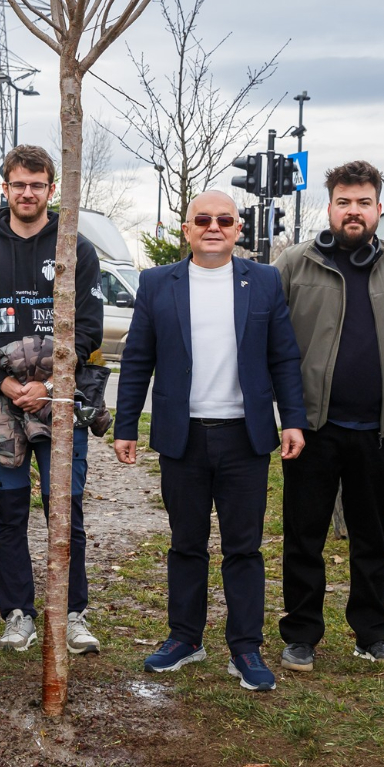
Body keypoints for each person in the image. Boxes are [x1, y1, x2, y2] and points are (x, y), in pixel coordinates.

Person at [114, 191, 308, 691]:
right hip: (184, 438)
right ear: (187, 229)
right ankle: (185, 638)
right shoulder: (157, 283)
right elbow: (138, 359)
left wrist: (292, 419)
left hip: (246, 438)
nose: (214, 227)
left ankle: (245, 649)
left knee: (244, 549)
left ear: (238, 229)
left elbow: (283, 356)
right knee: (186, 544)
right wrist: (126, 425)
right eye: (203, 219)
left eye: (225, 219)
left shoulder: (262, 281)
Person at [0, 145, 103, 656]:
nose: (27, 193)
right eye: (18, 184)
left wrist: (52, 382)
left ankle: (73, 611)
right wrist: (4, 383)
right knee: (10, 511)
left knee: (65, 509)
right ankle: (17, 612)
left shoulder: (75, 248)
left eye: (37, 185)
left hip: (59, 401)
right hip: (4, 404)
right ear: (4, 187)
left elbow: (87, 326)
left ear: (52, 189)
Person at [274, 162, 384, 670]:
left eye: (364, 202)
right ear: (330, 207)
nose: (354, 211)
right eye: (344, 201)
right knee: (304, 536)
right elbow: (268, 341)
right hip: (312, 428)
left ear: (379, 209)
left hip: (378, 433)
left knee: (374, 539)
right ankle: (301, 634)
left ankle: (372, 632)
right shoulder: (295, 264)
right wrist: (283, 414)